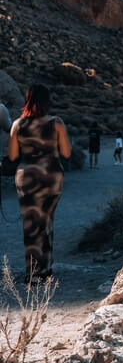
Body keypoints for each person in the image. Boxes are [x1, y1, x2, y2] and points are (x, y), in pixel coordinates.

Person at [8, 83, 71, 282]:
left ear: (27, 100)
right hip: (51, 176)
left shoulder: (18, 124)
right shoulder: (57, 122)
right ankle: (46, 269)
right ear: (47, 102)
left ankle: (33, 273)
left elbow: (12, 156)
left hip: (26, 177)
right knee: (47, 220)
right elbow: (67, 153)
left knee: (31, 224)